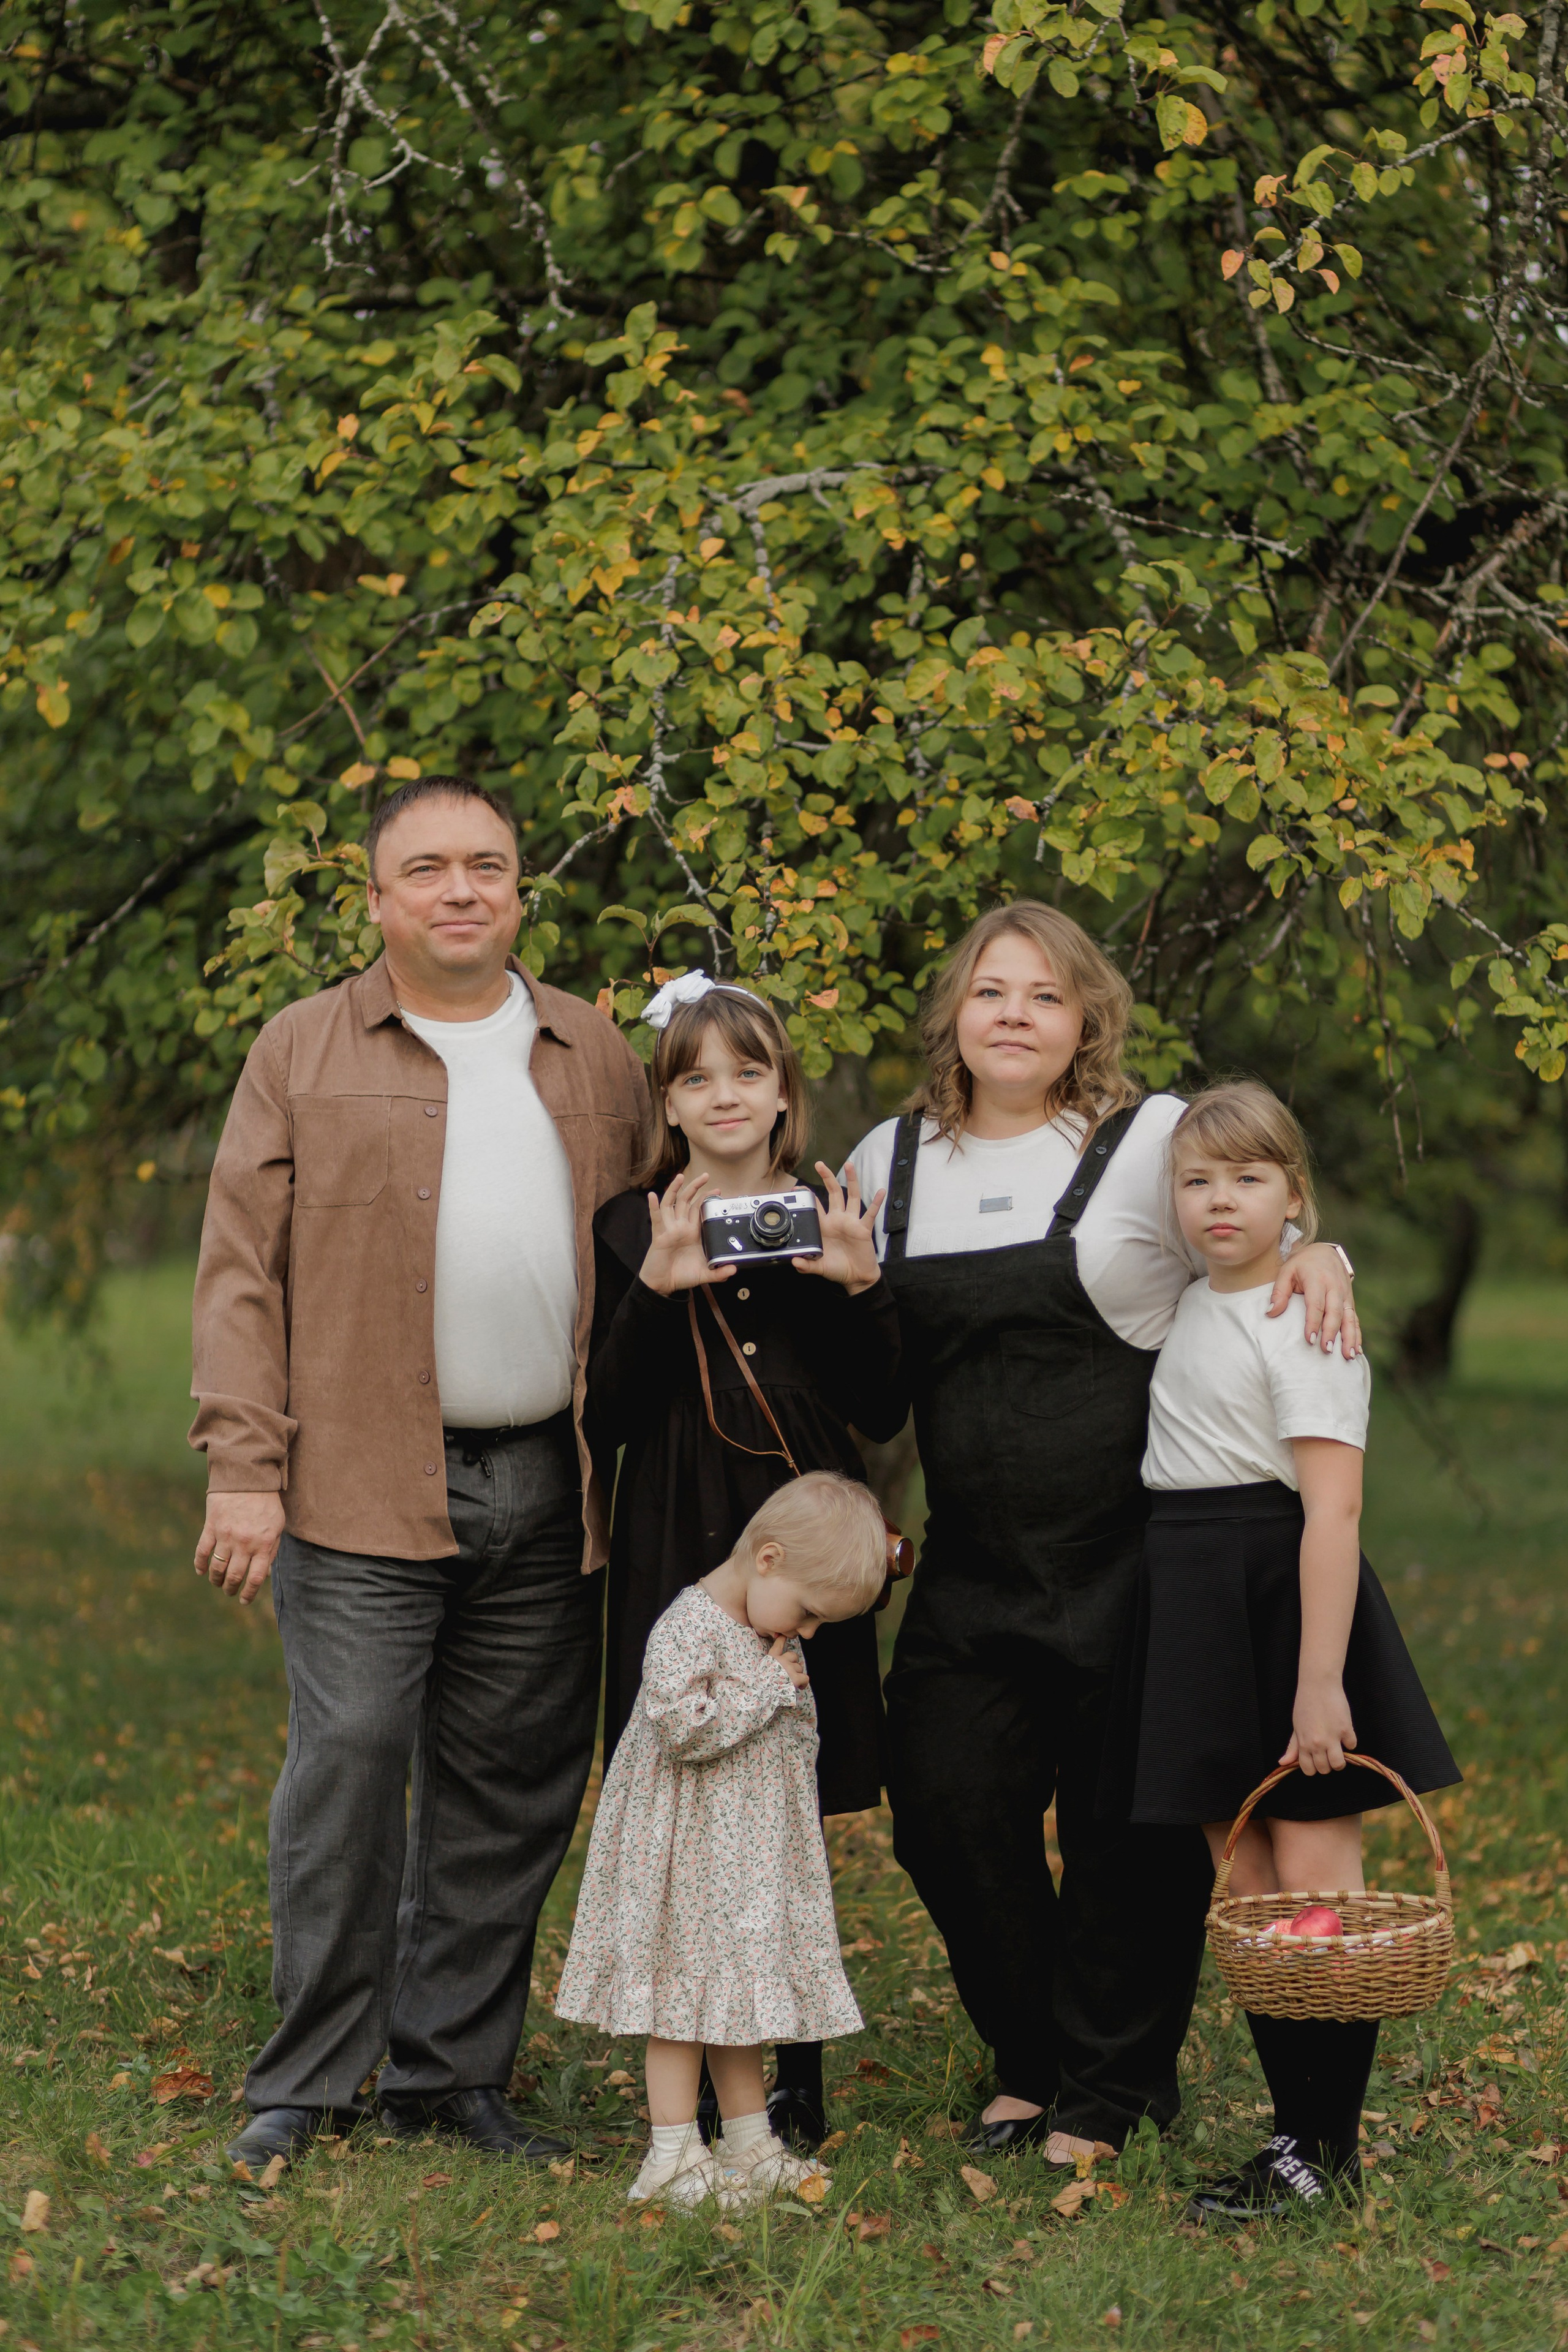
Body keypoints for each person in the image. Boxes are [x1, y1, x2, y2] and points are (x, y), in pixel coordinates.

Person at [844, 900, 1362, 2163]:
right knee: (946, 1812)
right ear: (952, 1017)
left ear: (1085, 1021)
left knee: (1131, 1841)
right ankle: (1035, 2052)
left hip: (1133, 1557)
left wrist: (1322, 1248)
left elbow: (1241, 1213)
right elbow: (867, 1388)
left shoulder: (1139, 1142)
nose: (1012, 1015)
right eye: (987, 992)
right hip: (972, 1568)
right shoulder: (882, 1161)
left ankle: (1105, 2089)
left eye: (1042, 995)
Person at [189, 774, 647, 2171]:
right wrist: (241, 1466)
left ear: (519, 891)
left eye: (489, 866)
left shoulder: (591, 1052)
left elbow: (670, 1225)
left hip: (551, 1484)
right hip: (357, 1482)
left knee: (512, 1780)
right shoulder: (302, 1048)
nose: (463, 889)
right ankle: (311, 2072)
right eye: (430, 868)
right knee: (348, 1760)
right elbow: (237, 1273)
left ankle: (449, 2069)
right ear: (377, 897)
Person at [1110, 1080, 1458, 2222]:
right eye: (1198, 1181)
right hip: (1194, 1594)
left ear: (1293, 1196)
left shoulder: (1308, 1322)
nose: (1220, 1202)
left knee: (1316, 1893)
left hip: (1285, 1595)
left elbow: (1335, 1517)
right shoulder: (1187, 1298)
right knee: (1250, 1895)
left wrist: (1320, 1684)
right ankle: (1291, 2136)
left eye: (1249, 1179)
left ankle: (1326, 2147)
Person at [587, 970, 903, 2147]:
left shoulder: (827, 1215)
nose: (724, 1095)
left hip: (801, 1539)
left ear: (784, 1095)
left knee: (791, 1800)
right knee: (689, 1792)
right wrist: (656, 1291)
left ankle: (793, 2072)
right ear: (667, 1102)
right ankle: (689, 2079)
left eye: (749, 1073)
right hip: (685, 1531)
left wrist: (862, 1287)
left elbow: (879, 1407)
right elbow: (604, 1416)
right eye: (697, 1077)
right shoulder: (632, 1223)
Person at [554, 1472, 886, 2209]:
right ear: (767, 1558)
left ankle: (748, 2140)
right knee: (682, 2005)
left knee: (737, 2004)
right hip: (687, 1864)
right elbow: (683, 1728)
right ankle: (670, 2156)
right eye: (808, 1614)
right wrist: (769, 1689)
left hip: (744, 1867)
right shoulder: (689, 1625)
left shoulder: (757, 1630)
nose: (806, 1633)